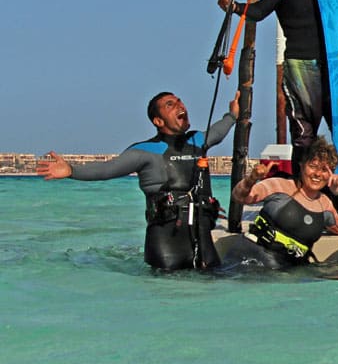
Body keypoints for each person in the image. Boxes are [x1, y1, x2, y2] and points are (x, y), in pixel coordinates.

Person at [36, 92, 239, 271]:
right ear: (158, 121)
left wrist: (232, 114)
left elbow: (219, 131)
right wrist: (72, 170)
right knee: (169, 294)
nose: (180, 105)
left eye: (179, 101)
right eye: (170, 104)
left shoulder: (198, 141)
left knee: (214, 286)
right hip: (166, 246)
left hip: (203, 242)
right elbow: (107, 169)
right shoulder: (145, 151)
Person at [214, 0, 330, 172]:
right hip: (299, 67)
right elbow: (258, 12)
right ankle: (300, 184)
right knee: (303, 134)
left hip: (333, 67)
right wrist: (233, 6)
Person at [229, 137, 338, 268]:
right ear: (301, 165)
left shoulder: (325, 205)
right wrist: (251, 179)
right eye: (313, 166)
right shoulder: (279, 186)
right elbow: (239, 197)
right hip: (251, 258)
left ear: (331, 173)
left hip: (286, 268)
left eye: (324, 170)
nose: (318, 174)